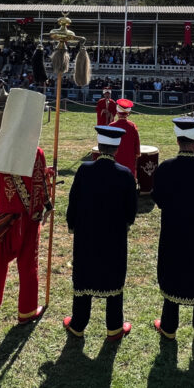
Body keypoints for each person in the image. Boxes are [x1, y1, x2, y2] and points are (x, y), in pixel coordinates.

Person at [0, 87, 50, 324]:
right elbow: (38, 188)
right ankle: (27, 310)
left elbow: (0, 187)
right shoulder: (36, 153)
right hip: (28, 218)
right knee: (28, 265)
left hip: (7, 216)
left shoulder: (2, 150)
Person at [151, 116, 194, 340]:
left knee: (173, 270)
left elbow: (158, 199)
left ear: (178, 139)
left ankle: (169, 326)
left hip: (173, 230)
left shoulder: (165, 168)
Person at [64, 125, 138, 341]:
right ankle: (114, 327)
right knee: (113, 274)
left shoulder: (84, 170)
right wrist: (125, 223)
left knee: (84, 273)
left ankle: (78, 323)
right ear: (116, 148)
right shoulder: (125, 175)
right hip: (114, 235)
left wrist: (72, 224)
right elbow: (130, 211)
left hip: (86, 233)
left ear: (98, 147)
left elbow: (73, 201)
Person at [111, 99, 141, 184]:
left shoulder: (111, 126)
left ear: (117, 112)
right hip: (129, 158)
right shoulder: (132, 126)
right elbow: (137, 143)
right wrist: (137, 153)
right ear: (128, 113)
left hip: (115, 157)